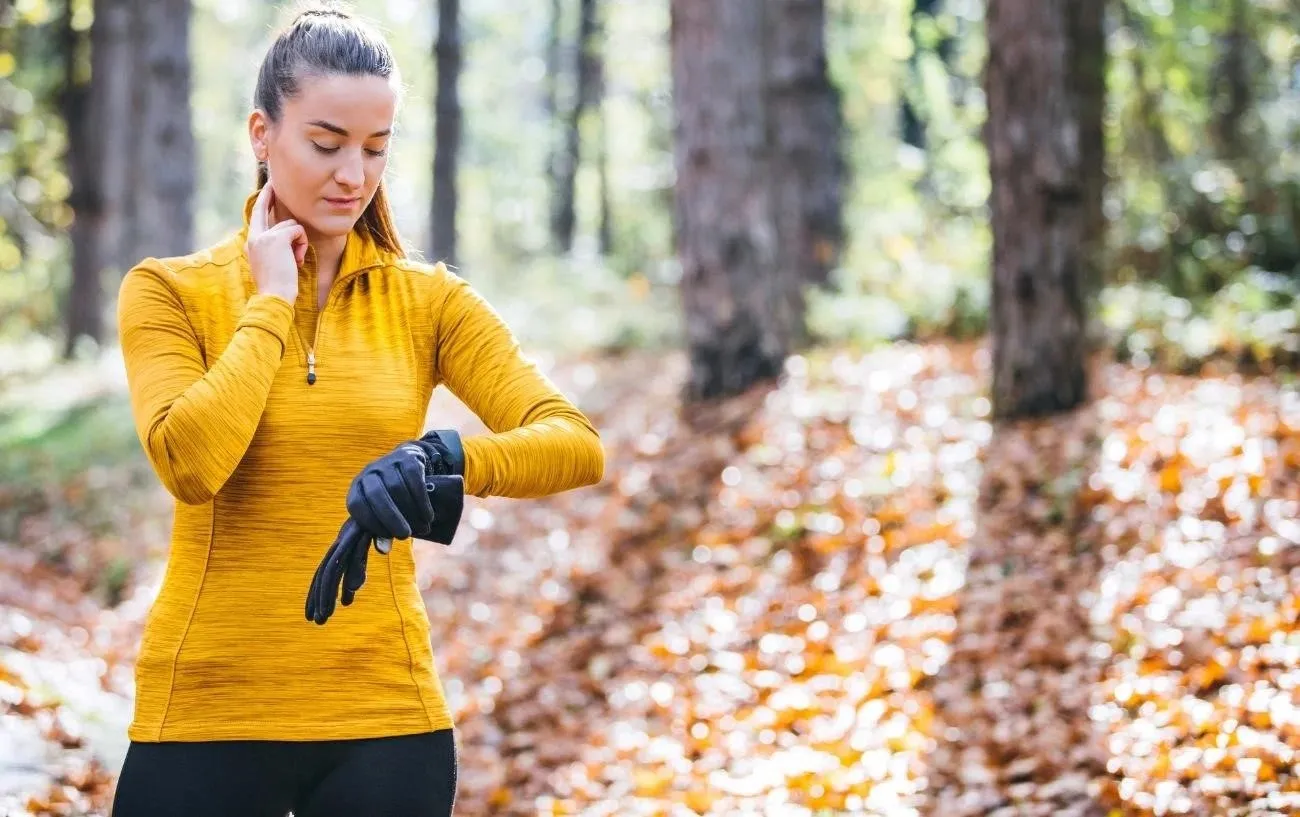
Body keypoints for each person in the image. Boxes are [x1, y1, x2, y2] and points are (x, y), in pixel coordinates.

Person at [108, 4, 604, 816]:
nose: (354, 175)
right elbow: (190, 463)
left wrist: (442, 461)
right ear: (263, 134)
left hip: (385, 719)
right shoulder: (171, 291)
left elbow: (575, 443)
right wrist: (270, 302)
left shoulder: (428, 300)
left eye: (377, 148)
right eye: (327, 143)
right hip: (207, 710)